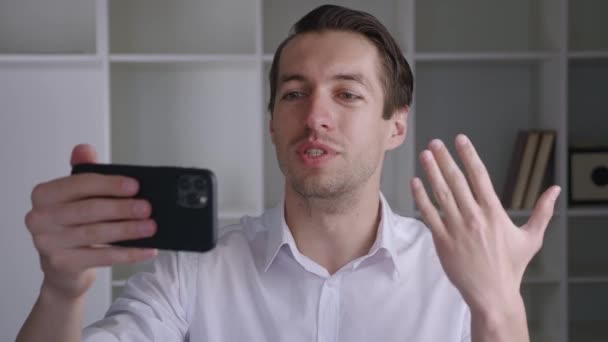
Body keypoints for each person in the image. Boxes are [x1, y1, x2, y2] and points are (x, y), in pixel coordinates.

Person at [17, 5, 560, 342]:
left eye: (347, 94)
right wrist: (62, 292)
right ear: (273, 123)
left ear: (395, 127)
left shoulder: (456, 276)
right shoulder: (192, 275)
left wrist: (499, 305)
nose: (316, 115)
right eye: (295, 94)